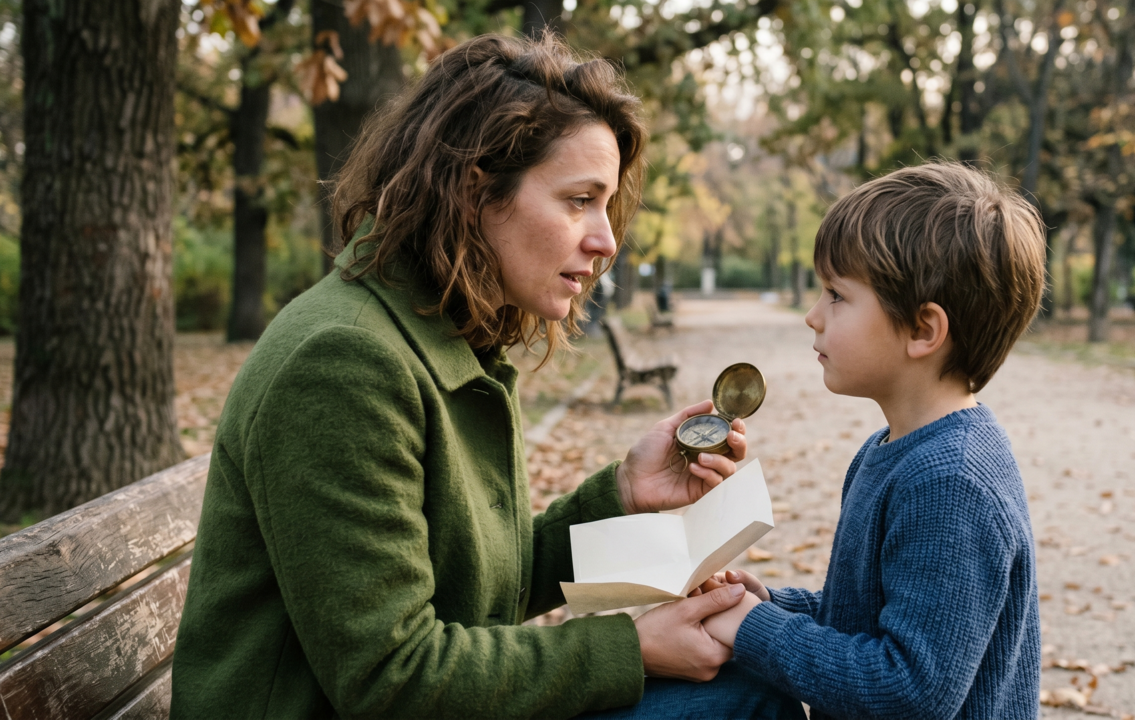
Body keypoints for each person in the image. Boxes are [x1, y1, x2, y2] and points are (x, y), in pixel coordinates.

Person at [171, 34, 790, 719]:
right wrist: (631, 647)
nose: (606, 240)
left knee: (751, 669)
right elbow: (392, 679)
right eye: (579, 199)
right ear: (475, 192)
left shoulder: (441, 337)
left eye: (605, 205)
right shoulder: (343, 364)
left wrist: (619, 492)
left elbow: (482, 587)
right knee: (746, 698)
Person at [698, 162, 1046, 719]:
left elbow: (910, 689)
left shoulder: (952, 483)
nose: (813, 315)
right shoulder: (890, 447)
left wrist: (754, 631)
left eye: (836, 295)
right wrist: (770, 606)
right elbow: (864, 617)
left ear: (922, 331)